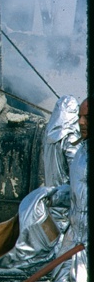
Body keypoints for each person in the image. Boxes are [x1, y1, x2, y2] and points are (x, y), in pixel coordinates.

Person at [49, 96, 87, 282]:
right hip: (77, 245)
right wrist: (53, 196)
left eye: (87, 117)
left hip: (85, 245)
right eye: (80, 117)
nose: (80, 123)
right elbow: (77, 195)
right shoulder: (82, 153)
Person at [43, 95, 81, 233]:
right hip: (67, 199)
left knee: (55, 231)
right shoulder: (70, 139)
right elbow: (77, 169)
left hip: (52, 196)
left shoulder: (48, 137)